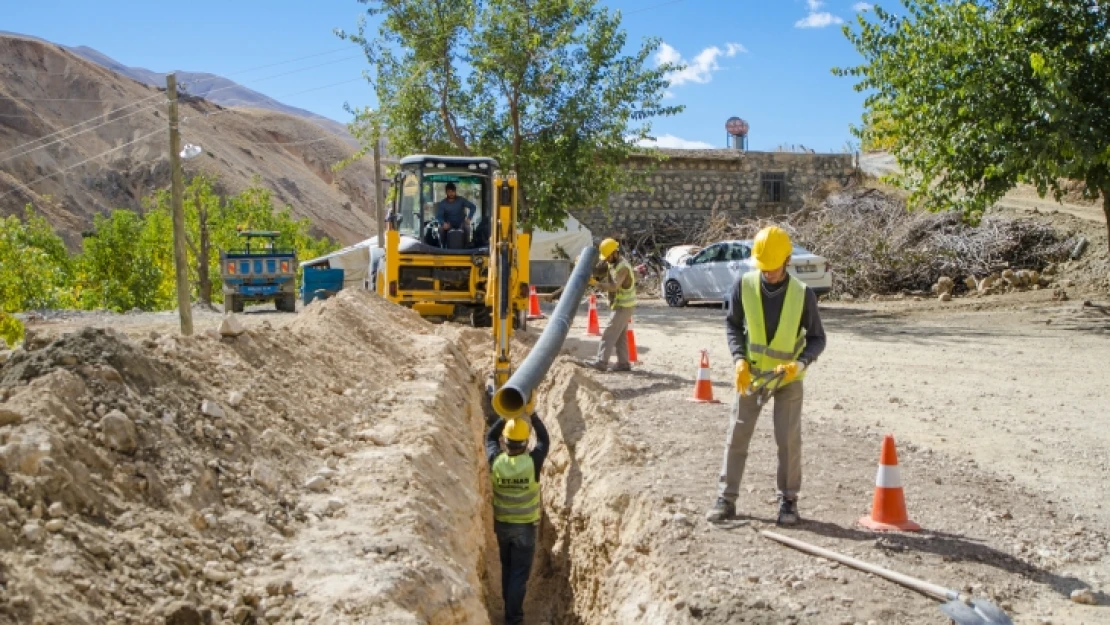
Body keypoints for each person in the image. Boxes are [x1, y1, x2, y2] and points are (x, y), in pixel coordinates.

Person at [706, 226, 826, 526]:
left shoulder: (802, 294)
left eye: (772, 267)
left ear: (786, 260)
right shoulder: (744, 285)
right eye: (763, 266)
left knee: (788, 441)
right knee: (737, 435)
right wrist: (739, 361)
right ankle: (726, 499)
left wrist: (800, 364)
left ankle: (788, 501)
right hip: (753, 376)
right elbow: (732, 325)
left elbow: (817, 339)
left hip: (788, 379)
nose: (767, 273)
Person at [486, 415, 550, 625]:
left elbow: (490, 438)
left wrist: (505, 417)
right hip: (525, 528)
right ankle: (513, 618)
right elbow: (545, 440)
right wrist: (532, 415)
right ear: (525, 442)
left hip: (503, 525)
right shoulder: (532, 462)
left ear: (505, 440)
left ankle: (509, 609)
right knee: (519, 574)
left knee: (507, 568)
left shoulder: (496, 460)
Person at [580, 237, 635, 372]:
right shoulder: (612, 262)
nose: (606, 259)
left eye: (608, 257)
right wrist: (582, 263)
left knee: (609, 334)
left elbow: (614, 286)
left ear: (615, 252)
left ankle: (601, 362)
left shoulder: (623, 267)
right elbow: (599, 270)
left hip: (623, 306)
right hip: (621, 305)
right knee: (620, 336)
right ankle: (623, 363)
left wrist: (596, 284)